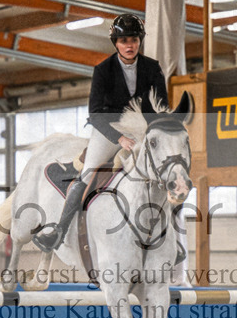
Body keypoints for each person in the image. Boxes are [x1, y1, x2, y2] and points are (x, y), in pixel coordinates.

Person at [33, 13, 168, 252]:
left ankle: (171, 238)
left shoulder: (153, 68)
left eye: (134, 40)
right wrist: (120, 138)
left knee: (166, 172)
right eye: (124, 40)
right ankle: (59, 231)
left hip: (142, 132)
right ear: (116, 43)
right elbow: (95, 114)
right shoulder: (103, 70)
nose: (130, 45)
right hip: (110, 131)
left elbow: (160, 108)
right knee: (87, 173)